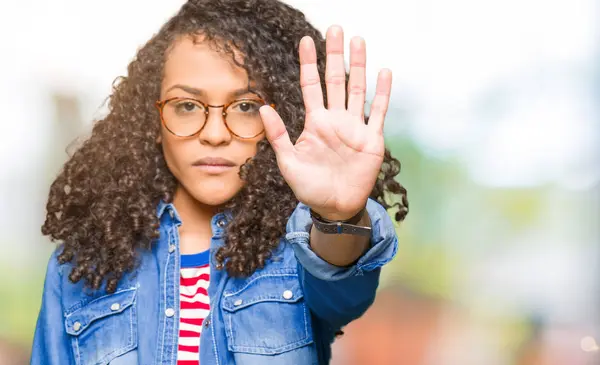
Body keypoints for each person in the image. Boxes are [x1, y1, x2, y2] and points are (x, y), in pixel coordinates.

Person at [31, 0, 409, 364]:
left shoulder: (301, 248)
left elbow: (345, 293)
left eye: (245, 107)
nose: (214, 134)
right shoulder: (82, 265)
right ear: (153, 122)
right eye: (187, 105)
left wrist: (335, 214)